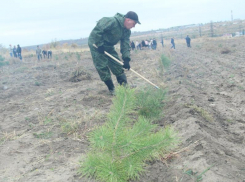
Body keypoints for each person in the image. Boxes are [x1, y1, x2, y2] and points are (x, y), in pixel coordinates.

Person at [88, 11, 140, 95]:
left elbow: (125, 44)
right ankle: (112, 90)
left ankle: (124, 88)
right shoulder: (111, 21)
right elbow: (97, 31)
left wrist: (126, 59)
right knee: (102, 66)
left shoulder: (126, 31)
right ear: (128, 20)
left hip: (108, 46)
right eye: (134, 23)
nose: (133, 26)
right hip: (96, 44)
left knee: (117, 65)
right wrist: (99, 44)